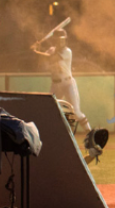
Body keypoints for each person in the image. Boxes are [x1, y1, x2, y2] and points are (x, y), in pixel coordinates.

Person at [31, 29, 107, 158]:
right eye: (58, 39)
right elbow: (40, 63)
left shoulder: (67, 52)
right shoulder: (51, 50)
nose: (60, 42)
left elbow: (51, 58)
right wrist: (37, 52)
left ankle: (91, 138)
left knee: (76, 112)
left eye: (62, 39)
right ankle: (45, 140)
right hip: (55, 84)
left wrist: (35, 51)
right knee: (49, 111)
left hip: (68, 83)